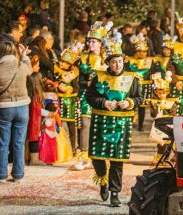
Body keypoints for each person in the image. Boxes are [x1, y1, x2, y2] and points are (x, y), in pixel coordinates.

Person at [86, 31, 142, 207]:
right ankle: (102, 179)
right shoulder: (99, 76)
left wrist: (129, 102)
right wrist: (104, 102)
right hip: (101, 121)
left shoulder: (132, 78)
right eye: (114, 62)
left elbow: (140, 98)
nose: (117, 64)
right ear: (108, 63)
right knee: (97, 157)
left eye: (120, 61)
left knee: (117, 160)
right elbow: (89, 97)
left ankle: (115, 193)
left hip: (121, 123)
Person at [0, 41, 33, 183]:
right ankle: (18, 174)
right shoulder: (21, 65)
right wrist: (24, 56)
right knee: (19, 143)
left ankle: (1, 174)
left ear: (1, 52)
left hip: (4, 107)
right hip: (22, 107)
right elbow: (30, 70)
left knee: (3, 142)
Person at [74, 22, 110, 171]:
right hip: (86, 96)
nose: (90, 44)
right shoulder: (83, 58)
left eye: (94, 41)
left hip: (103, 96)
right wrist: (88, 83)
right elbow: (80, 80)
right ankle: (84, 157)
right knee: (85, 125)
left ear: (100, 43)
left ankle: (102, 155)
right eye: (89, 41)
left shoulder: (107, 58)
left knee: (102, 125)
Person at [55, 42, 83, 154]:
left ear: (70, 64)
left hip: (70, 102)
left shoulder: (74, 74)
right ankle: (58, 150)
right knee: (58, 126)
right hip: (59, 101)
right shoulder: (56, 71)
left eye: (65, 62)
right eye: (61, 61)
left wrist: (67, 89)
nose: (61, 63)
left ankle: (72, 148)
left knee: (72, 127)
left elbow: (76, 88)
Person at [126, 34, 154, 131]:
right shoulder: (130, 60)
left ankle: (140, 125)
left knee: (142, 107)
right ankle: (129, 124)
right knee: (131, 105)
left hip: (145, 87)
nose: (142, 53)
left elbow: (154, 72)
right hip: (133, 86)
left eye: (144, 51)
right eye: (140, 51)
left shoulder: (150, 61)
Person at [26, 55, 45, 166]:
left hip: (32, 119)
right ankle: (34, 159)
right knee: (34, 137)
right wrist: (48, 113)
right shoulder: (36, 97)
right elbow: (37, 111)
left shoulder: (31, 95)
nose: (38, 67)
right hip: (35, 120)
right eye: (37, 65)